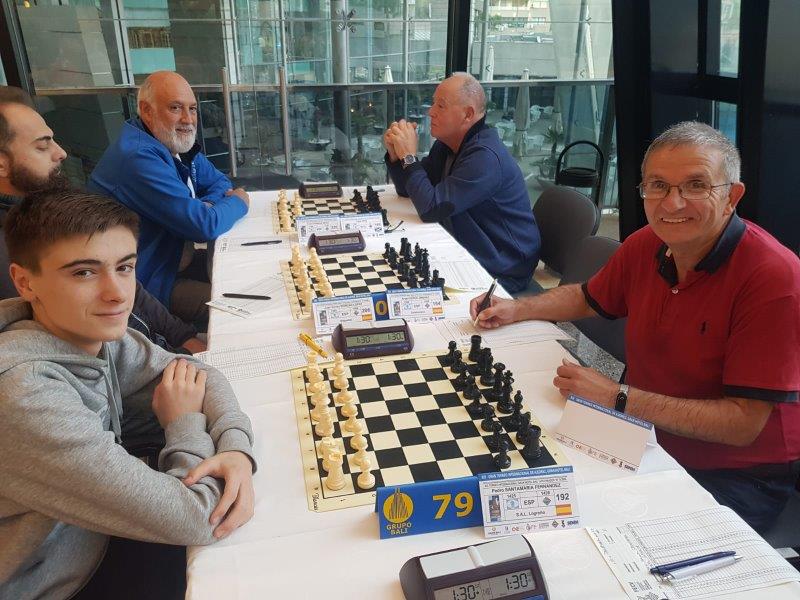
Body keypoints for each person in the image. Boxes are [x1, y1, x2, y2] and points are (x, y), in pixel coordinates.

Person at [470, 121, 800, 533]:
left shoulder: (773, 277)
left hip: (734, 473)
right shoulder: (649, 243)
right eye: (658, 185)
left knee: (591, 537)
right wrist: (517, 308)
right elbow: (588, 297)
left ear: (732, 196)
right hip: (643, 433)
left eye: (696, 185)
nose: (673, 203)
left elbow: (742, 424)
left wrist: (617, 396)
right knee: (515, 490)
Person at [0, 189, 256, 600]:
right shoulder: (24, 395)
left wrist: (236, 449)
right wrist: (185, 424)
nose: (117, 293)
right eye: (84, 273)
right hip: (66, 584)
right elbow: (204, 517)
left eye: (125, 267)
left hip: (98, 534)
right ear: (25, 282)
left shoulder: (88, 332)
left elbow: (201, 376)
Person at [0, 86, 205, 354]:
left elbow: (133, 294)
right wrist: (174, 357)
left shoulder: (49, 206)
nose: (61, 153)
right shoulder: (13, 247)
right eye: (42, 145)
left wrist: (183, 338)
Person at [88, 71, 250, 324]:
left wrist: (205, 206)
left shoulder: (173, 142)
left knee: (246, 275)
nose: (188, 119)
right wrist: (239, 201)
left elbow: (220, 182)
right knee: (241, 310)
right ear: (147, 110)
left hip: (172, 260)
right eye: (175, 108)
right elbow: (203, 225)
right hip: (146, 284)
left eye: (192, 109)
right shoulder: (138, 157)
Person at [383, 72, 541, 294]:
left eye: (441, 106)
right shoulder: (448, 145)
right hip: (468, 246)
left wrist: (409, 157)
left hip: (503, 267)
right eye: (433, 104)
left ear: (468, 114)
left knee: (403, 283)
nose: (430, 112)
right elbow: (410, 191)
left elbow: (431, 208)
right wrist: (396, 155)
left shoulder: (485, 157)